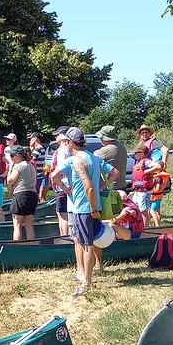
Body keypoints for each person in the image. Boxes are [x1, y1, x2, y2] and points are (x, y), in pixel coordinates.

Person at [51, 127, 117, 295]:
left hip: (83, 208)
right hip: (93, 207)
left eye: (66, 141)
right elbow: (114, 173)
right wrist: (101, 187)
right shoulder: (94, 157)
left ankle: (87, 282)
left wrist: (66, 189)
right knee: (87, 242)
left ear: (71, 143)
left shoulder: (76, 161)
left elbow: (56, 176)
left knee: (86, 245)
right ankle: (85, 276)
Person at [7, 146, 38, 241]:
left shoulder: (19, 166)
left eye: (12, 155)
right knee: (29, 225)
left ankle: (17, 247)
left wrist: (10, 168)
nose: (11, 158)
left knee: (17, 225)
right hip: (32, 195)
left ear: (19, 156)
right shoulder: (31, 166)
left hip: (21, 195)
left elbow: (9, 181)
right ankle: (32, 246)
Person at [130, 144, 162, 226]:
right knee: (135, 208)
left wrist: (147, 171)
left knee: (143, 210)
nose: (134, 155)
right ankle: (138, 225)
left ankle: (145, 227)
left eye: (136, 153)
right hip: (138, 191)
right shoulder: (138, 162)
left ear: (142, 154)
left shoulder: (146, 161)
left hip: (144, 192)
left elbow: (158, 166)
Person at [49, 128, 71, 236]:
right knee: (64, 214)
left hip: (63, 184)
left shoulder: (62, 151)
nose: (55, 137)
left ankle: (65, 238)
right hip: (69, 184)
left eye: (57, 135)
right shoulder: (72, 150)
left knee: (63, 215)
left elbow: (59, 169)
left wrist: (55, 181)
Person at [95, 126, 129, 191]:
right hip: (122, 185)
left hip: (110, 187)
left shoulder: (105, 150)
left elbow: (94, 158)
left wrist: (101, 187)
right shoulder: (122, 146)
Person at [29, 133, 48, 199]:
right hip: (39, 175)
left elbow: (30, 160)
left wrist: (30, 149)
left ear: (35, 139)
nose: (30, 141)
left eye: (31, 139)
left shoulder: (38, 149)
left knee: (33, 195)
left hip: (36, 175)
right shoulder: (42, 148)